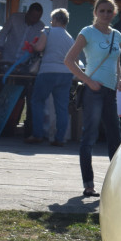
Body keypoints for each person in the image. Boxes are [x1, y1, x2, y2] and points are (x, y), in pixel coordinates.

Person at [65, 0, 121, 198]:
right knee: (89, 136)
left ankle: (117, 184)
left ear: (114, 14)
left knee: (115, 137)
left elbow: (116, 61)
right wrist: (88, 81)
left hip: (110, 91)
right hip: (94, 90)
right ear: (95, 12)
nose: (106, 14)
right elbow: (69, 60)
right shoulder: (87, 32)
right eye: (102, 11)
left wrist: (119, 80)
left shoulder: (117, 35)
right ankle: (88, 184)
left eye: (109, 11)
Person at [27, 8, 75, 147]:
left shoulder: (47, 31)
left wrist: (34, 45)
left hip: (48, 71)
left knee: (37, 101)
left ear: (54, 20)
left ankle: (37, 134)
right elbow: (75, 60)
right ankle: (59, 138)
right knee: (61, 107)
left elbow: (40, 48)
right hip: (65, 73)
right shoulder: (70, 38)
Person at [0, 2, 45, 68]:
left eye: (37, 18)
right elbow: (3, 34)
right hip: (6, 58)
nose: (35, 20)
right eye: (33, 17)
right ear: (28, 12)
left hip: (24, 63)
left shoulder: (41, 27)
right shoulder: (14, 18)